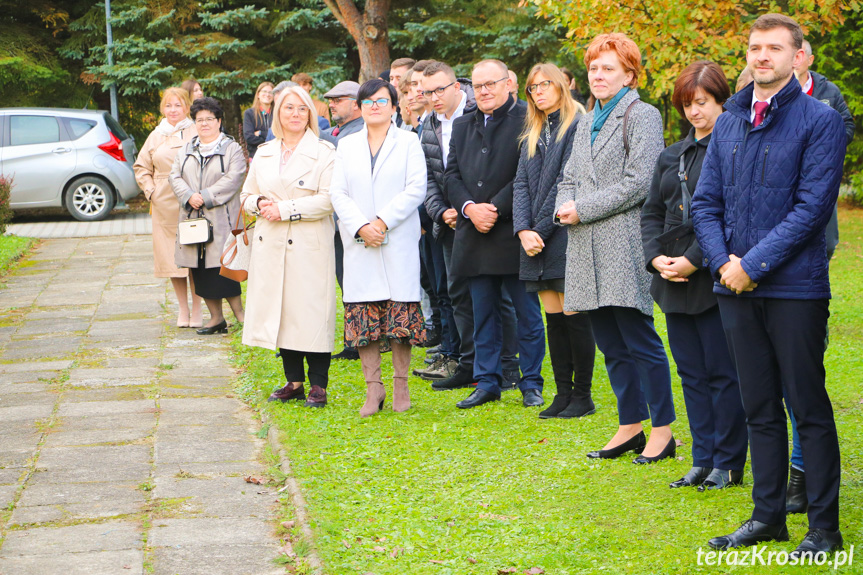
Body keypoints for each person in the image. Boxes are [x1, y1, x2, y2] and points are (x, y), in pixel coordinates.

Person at [693, 14, 846, 556]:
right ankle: (767, 517)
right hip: (732, 286)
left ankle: (824, 529)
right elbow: (705, 203)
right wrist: (722, 264)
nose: (762, 56)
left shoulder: (820, 120)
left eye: (774, 48)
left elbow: (811, 210)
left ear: (797, 56)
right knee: (758, 406)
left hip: (794, 289)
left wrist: (751, 264)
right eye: (755, 48)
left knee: (807, 405)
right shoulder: (731, 119)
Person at [555, 33, 674, 462]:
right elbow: (567, 176)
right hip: (584, 243)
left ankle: (662, 431)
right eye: (593, 68)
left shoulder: (642, 115)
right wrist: (563, 207)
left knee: (639, 338)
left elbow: (641, 181)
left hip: (622, 241)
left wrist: (581, 208)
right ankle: (630, 425)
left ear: (629, 73)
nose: (598, 75)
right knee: (609, 342)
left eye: (608, 68)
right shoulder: (587, 119)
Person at [640, 61, 748, 489]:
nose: (694, 113)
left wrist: (696, 259)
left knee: (723, 374)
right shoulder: (672, 155)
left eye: (702, 103)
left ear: (721, 100)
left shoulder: (735, 150)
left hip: (714, 275)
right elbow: (651, 212)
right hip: (672, 280)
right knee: (691, 373)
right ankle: (702, 458)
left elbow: (731, 217)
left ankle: (728, 462)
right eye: (687, 104)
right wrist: (656, 260)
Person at [445, 59, 546, 409]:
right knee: (482, 314)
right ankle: (487, 381)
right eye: (479, 85)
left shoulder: (527, 119)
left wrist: (494, 209)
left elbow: (527, 173)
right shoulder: (461, 125)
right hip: (474, 232)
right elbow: (451, 176)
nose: (485, 91)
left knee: (526, 315)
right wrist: (470, 208)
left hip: (513, 231)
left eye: (492, 83)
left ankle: (531, 382)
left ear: (508, 84)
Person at [783, 38, 857, 516]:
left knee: (804, 374)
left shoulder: (826, 101)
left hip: (807, 255)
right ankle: (783, 478)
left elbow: (837, 144)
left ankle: (803, 473)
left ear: (803, 57)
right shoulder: (749, 104)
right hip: (753, 258)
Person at [330, 79, 428, 417]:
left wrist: (382, 222)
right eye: (368, 101)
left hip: (396, 237)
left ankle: (401, 384)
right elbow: (337, 193)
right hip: (360, 242)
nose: (374, 106)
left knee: (400, 316)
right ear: (359, 107)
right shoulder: (346, 145)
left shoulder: (409, 142)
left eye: (381, 100)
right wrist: (361, 226)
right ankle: (374, 388)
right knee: (364, 317)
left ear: (393, 105)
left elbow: (416, 189)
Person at [241, 86, 337, 408]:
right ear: (277, 113)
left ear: (310, 113)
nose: (295, 114)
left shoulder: (324, 153)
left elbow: (327, 200)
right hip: (271, 244)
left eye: (301, 109)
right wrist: (260, 202)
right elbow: (246, 195)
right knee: (282, 311)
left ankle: (318, 385)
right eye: (288, 108)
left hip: (308, 244)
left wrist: (285, 209)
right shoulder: (265, 152)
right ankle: (293, 380)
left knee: (311, 311)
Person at [513, 63, 596, 419]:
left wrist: (538, 231)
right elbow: (520, 184)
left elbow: (566, 183)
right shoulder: (534, 130)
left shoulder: (578, 125)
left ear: (561, 85)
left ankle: (583, 396)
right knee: (554, 318)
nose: (539, 91)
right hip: (534, 238)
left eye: (545, 84)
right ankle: (562, 394)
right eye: (533, 88)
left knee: (575, 316)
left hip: (565, 234)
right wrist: (521, 231)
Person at [170, 97, 247, 335]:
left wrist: (205, 195)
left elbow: (235, 178)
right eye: (199, 120)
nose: (204, 124)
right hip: (194, 220)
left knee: (224, 268)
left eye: (209, 119)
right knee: (200, 269)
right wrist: (189, 195)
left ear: (219, 121)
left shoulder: (230, 148)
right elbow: (174, 176)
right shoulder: (186, 149)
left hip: (221, 219)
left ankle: (242, 316)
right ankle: (215, 318)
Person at [134, 87, 202, 328]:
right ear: (163, 108)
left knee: (194, 257)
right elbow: (141, 167)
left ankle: (197, 309)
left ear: (186, 107)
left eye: (178, 105)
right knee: (172, 259)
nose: (173, 110)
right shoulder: (155, 135)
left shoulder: (196, 130)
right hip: (164, 204)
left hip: (192, 202)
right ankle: (182, 309)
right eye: (168, 106)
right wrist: (151, 191)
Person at [320, 80, 365, 361]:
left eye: (338, 99)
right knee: (345, 279)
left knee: (355, 280)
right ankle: (354, 339)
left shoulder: (358, 132)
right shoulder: (339, 131)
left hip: (355, 220)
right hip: (338, 220)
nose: (332, 103)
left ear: (356, 103)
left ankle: (360, 340)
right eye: (330, 99)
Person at [242, 81, 274, 159]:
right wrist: (271, 138)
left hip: (275, 155)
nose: (267, 94)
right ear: (258, 94)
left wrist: (260, 133)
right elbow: (249, 138)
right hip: (256, 156)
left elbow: (281, 135)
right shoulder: (249, 113)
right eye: (264, 91)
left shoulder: (278, 114)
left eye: (270, 92)